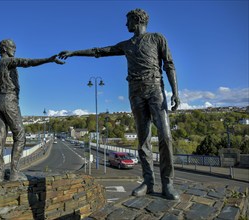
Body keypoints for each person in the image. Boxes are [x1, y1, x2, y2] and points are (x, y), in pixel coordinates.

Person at [59, 8, 180, 200]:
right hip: (135, 91)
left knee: (165, 137)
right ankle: (148, 182)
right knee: (143, 140)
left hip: (155, 88)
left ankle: (168, 183)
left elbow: (169, 64)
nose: (126, 25)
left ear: (137, 20)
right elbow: (99, 51)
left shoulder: (157, 38)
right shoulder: (127, 44)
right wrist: (74, 53)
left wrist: (175, 92)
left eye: (128, 21)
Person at [0, 39, 64, 182]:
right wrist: (48, 60)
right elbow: (27, 62)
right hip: (8, 100)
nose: (15, 49)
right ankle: (14, 173)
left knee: (0, 139)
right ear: (5, 49)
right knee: (20, 136)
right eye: (13, 47)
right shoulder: (6, 61)